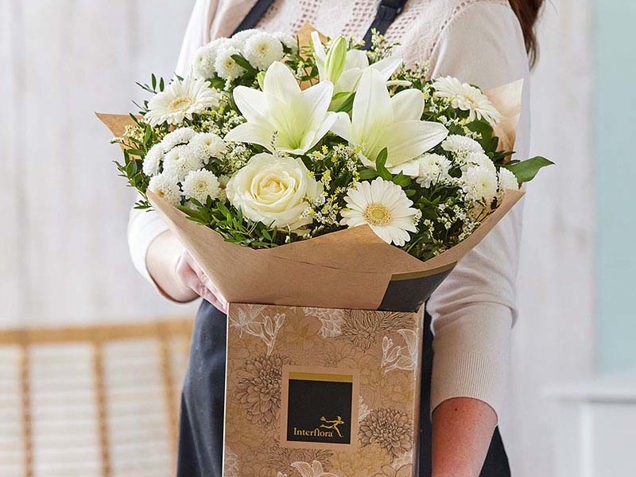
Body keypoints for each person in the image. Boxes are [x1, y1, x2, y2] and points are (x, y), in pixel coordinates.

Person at [127, 1, 543, 475]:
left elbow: (475, 295)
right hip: (228, 393)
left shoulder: (466, 16)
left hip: (391, 416)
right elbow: (153, 208)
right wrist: (188, 264)